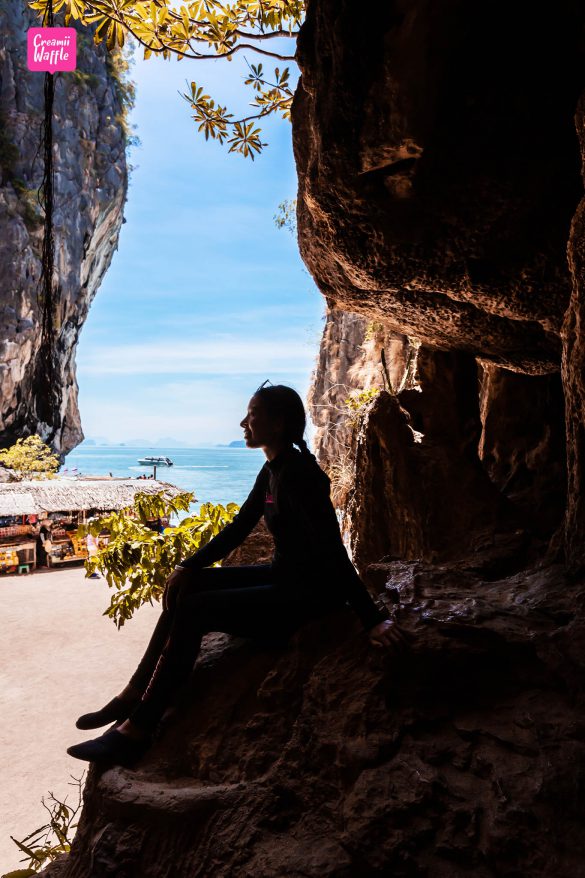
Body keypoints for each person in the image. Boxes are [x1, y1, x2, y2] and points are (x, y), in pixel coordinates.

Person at [67, 383, 409, 765]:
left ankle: (137, 729)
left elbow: (333, 551)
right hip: (284, 578)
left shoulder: (300, 475)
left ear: (277, 423)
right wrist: (188, 565)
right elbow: (239, 528)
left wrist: (372, 619)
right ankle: (134, 693)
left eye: (253, 414)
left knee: (196, 609)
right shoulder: (273, 470)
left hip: (307, 597)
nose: (243, 422)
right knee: (189, 587)